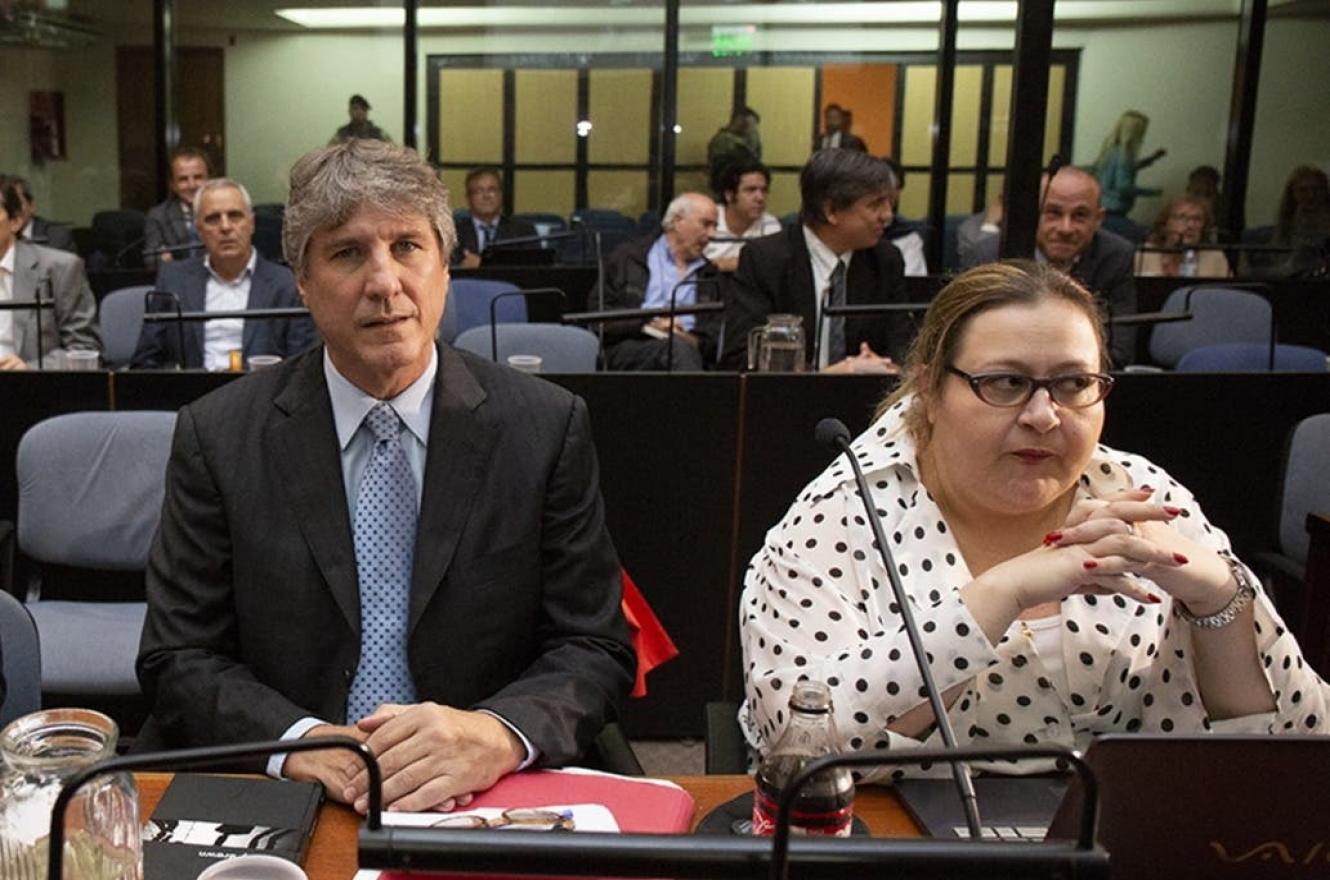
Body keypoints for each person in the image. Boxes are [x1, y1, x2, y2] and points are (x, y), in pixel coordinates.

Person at [136, 138, 635, 814]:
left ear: (445, 268)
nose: (384, 282)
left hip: (480, 792)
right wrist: (298, 741)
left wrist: (496, 733)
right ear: (303, 283)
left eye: (407, 246)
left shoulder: (544, 427)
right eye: (347, 253)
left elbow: (594, 644)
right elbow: (179, 655)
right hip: (291, 792)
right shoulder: (218, 436)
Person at [740, 260, 1329, 779]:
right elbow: (797, 757)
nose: (1044, 416)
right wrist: (1004, 594)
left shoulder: (1140, 494)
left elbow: (1298, 748)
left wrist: (1218, 595)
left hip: (1121, 839)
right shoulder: (843, 514)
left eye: (1073, 383)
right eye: (1005, 382)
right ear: (929, 387)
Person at [718, 149, 908, 373]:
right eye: (876, 204)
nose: (887, 216)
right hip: (785, 402)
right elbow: (742, 356)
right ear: (831, 211)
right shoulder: (765, 259)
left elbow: (903, 345)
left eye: (889, 203)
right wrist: (833, 375)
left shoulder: (885, 259)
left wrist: (887, 365)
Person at [132, 178, 316, 370]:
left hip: (260, 395)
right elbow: (145, 362)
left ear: (251, 223)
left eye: (235, 216)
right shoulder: (173, 279)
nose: (225, 227)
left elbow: (303, 366)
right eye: (213, 219)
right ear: (199, 230)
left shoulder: (286, 283)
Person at [960, 168, 1138, 366]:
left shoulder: (1115, 255)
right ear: (1032, 215)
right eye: (1053, 213)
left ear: (1098, 220)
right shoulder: (989, 256)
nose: (1065, 228)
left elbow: (1120, 348)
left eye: (1080, 216)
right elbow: (969, 347)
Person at [595, 192, 721, 371]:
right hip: (631, 346)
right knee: (674, 349)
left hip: (690, 351)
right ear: (678, 221)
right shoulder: (627, 258)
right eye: (706, 224)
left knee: (679, 348)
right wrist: (649, 323)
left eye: (715, 226)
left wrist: (685, 338)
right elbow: (600, 319)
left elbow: (716, 337)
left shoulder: (710, 274)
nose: (712, 234)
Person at [0, 175, 100, 370]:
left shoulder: (60, 268)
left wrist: (31, 369)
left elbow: (85, 348)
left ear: (16, 222)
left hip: (29, 389)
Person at [451, 168, 536, 269]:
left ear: (501, 195)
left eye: (492, 190)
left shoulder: (524, 232)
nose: (486, 196)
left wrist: (483, 264)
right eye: (479, 191)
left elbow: (533, 270)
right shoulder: (454, 233)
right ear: (468, 198)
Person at [705, 160, 780, 273]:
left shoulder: (769, 223)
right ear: (729, 195)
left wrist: (728, 264)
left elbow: (773, 265)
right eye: (751, 190)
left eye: (764, 190)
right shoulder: (708, 218)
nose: (760, 198)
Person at [1092, 110, 1166, 218]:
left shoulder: (1112, 150)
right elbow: (1123, 187)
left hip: (1103, 206)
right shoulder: (1124, 154)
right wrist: (1153, 192)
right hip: (1113, 210)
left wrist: (1151, 159)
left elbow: (1125, 169)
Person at [144, 147, 210, 267]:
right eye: (183, 179)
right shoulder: (158, 215)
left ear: (208, 179)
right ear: (172, 185)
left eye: (198, 177)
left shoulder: (223, 211)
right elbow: (151, 259)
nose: (192, 185)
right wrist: (161, 258)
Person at [1136, 196, 1230, 278]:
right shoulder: (1145, 254)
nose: (1190, 225)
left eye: (1197, 219)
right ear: (1165, 224)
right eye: (1181, 218)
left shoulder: (1215, 257)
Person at [1272, 165, 1330, 276]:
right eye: (1303, 190)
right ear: (1293, 193)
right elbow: (1279, 258)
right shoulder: (1287, 221)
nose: (1310, 195)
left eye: (1316, 189)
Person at [881, 157, 927, 276]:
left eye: (891, 188)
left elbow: (913, 283)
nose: (884, 193)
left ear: (898, 191)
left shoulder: (908, 237)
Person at [707, 106, 762, 197]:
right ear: (738, 120)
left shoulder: (743, 140)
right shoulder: (724, 140)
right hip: (727, 188)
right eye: (747, 124)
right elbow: (748, 159)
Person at [10, 177, 75, 252]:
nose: (10, 210)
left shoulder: (56, 236)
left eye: (15, 203)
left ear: (31, 206)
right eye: (3, 206)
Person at [1185, 165, 1225, 238]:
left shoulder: (1222, 224)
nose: (1201, 200)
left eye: (1207, 194)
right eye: (1197, 193)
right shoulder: (1178, 213)